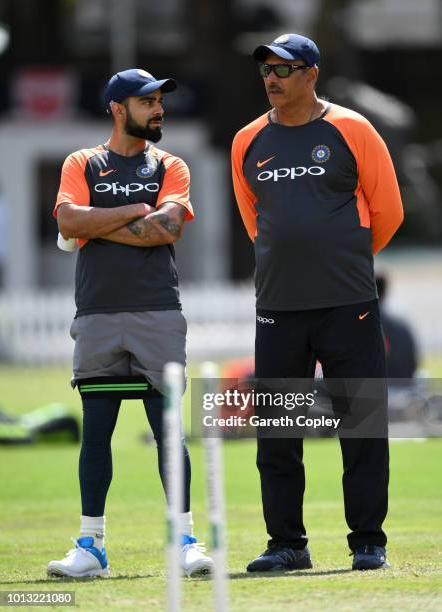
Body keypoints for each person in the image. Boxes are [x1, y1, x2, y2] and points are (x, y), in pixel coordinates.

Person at [231, 34, 404, 572]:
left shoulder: (353, 129)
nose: (272, 79)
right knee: (278, 431)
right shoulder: (247, 141)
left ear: (311, 74)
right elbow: (254, 218)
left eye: (283, 70)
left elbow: (389, 211)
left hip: (348, 302)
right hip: (278, 305)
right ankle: (287, 544)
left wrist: (342, 260)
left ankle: (368, 541)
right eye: (266, 71)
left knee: (362, 423)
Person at [47, 68, 213, 578]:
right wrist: (134, 210)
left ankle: (184, 540)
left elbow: (166, 230)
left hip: (157, 310)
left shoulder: (172, 165)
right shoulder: (82, 161)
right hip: (96, 311)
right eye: (148, 101)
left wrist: (101, 220)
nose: (159, 108)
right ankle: (91, 547)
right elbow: (67, 222)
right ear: (119, 108)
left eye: (160, 100)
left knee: (168, 431)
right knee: (96, 432)